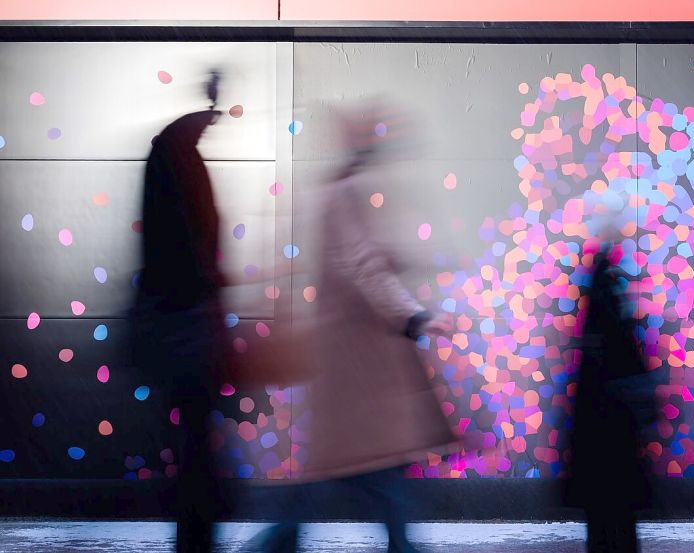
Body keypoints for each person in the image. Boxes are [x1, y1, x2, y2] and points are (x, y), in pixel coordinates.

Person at [243, 105, 456, 553]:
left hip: (355, 360)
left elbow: (365, 260)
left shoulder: (341, 191)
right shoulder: (349, 193)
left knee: (354, 464)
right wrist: (414, 316)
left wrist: (413, 263)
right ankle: (285, 541)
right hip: (361, 362)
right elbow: (363, 266)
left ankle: (284, 540)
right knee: (371, 465)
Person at [132, 70, 232, 553]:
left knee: (192, 435)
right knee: (197, 436)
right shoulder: (179, 161)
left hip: (179, 321)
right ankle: (197, 533)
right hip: (187, 322)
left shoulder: (170, 159)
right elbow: (190, 248)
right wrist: (210, 279)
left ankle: (195, 532)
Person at [565, 244, 651, 553]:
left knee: (602, 521)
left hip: (597, 443)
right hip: (616, 439)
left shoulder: (592, 328)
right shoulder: (614, 318)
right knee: (619, 520)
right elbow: (630, 366)